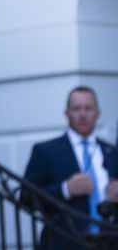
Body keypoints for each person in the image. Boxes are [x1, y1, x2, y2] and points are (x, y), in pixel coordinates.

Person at [23, 86, 118, 249]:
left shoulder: (112, 152)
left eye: (88, 108)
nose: (82, 114)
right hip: (64, 243)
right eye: (76, 108)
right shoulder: (46, 151)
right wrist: (65, 188)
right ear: (67, 113)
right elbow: (26, 198)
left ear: (97, 113)